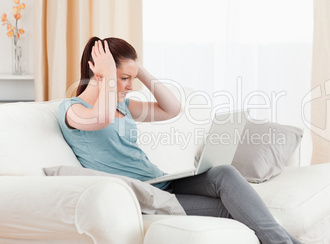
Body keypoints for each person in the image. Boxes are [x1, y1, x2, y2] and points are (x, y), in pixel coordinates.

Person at [58, 37, 301, 244]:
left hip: (162, 181)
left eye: (132, 78)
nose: (131, 86)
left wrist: (136, 68)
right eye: (125, 78)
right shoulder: (72, 109)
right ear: (97, 72)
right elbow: (100, 118)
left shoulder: (123, 105)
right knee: (232, 208)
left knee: (224, 173)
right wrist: (110, 74)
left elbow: (172, 108)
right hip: (144, 195)